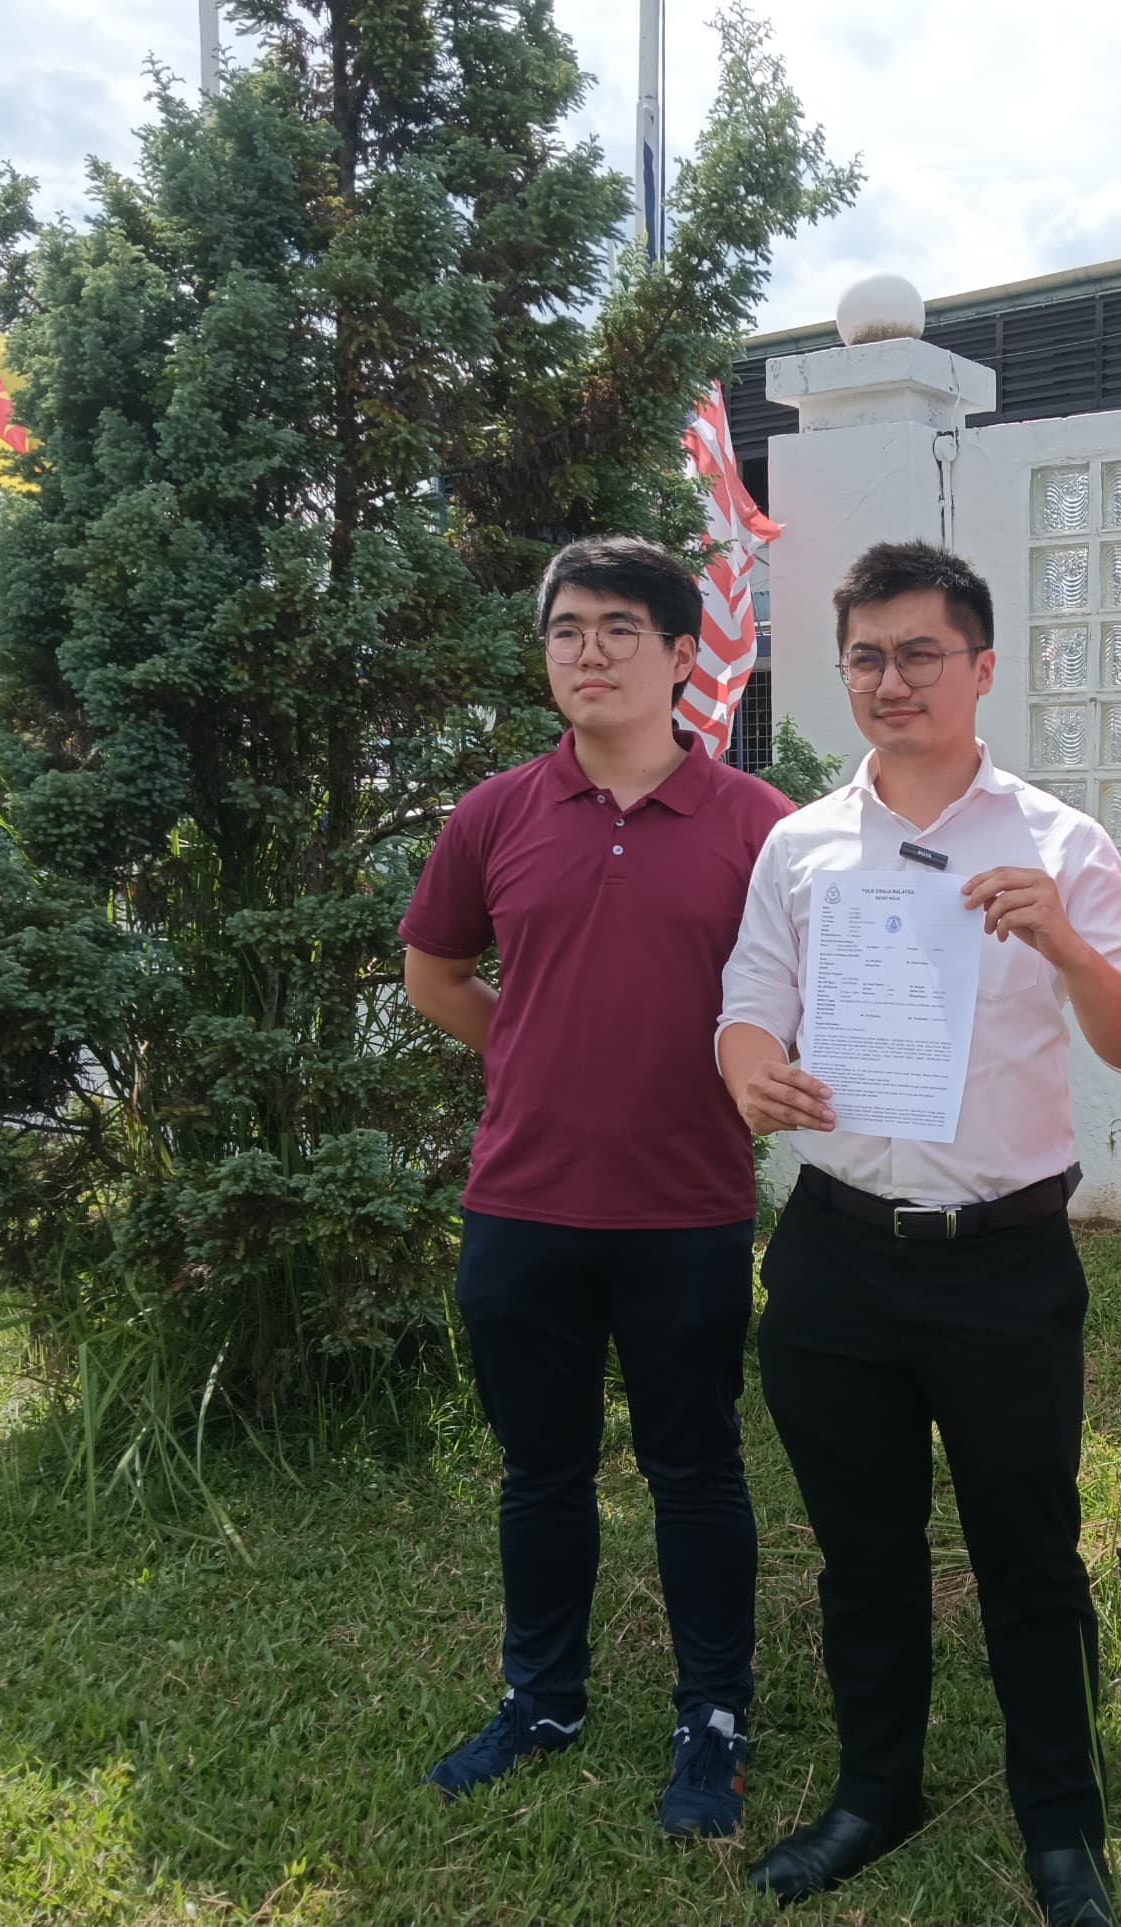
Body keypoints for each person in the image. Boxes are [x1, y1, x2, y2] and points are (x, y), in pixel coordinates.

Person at [716, 541, 1121, 1927]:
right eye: (866, 656)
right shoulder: (801, 843)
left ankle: (1063, 1830)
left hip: (1002, 1261)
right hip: (836, 1253)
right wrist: (751, 1071)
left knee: (1029, 1553)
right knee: (864, 1554)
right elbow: (749, 1000)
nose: (891, 680)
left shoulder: (1058, 843)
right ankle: (876, 1793)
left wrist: (1069, 947)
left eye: (921, 653)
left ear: (981, 668)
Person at [400, 535, 793, 1839]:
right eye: (568, 629)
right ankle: (542, 1698)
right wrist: (528, 1050)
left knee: (695, 1470)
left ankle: (713, 1715)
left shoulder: (760, 827)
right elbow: (435, 975)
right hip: (523, 1206)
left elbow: (805, 996)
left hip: (687, 1208)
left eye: (621, 629)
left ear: (683, 657)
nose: (589, 652)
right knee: (541, 1471)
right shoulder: (496, 814)